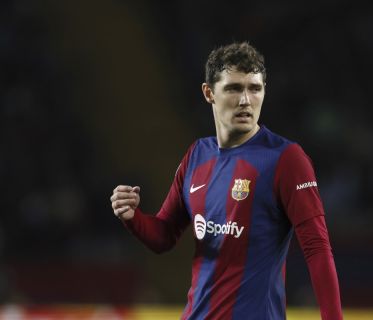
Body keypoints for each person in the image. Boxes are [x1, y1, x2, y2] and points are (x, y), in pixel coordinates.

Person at [110, 42, 343, 320]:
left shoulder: (287, 159)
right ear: (209, 93)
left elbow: (317, 248)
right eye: (234, 88)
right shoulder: (197, 156)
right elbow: (163, 236)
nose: (246, 100)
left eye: (255, 88)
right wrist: (133, 217)